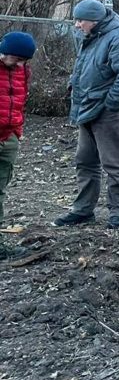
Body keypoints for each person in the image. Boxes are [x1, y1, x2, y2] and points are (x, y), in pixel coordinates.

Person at [54, 0, 119, 229]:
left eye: (80, 20)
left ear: (93, 20)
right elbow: (85, 67)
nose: (76, 25)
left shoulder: (118, 38)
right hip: (87, 108)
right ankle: (83, 210)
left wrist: (112, 103)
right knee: (85, 161)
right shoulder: (93, 37)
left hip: (107, 112)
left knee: (113, 163)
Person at [0, 32, 36, 257]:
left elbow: (19, 101)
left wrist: (16, 131)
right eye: (16, 59)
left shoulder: (22, 71)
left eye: (23, 61)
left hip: (8, 138)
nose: (19, 64)